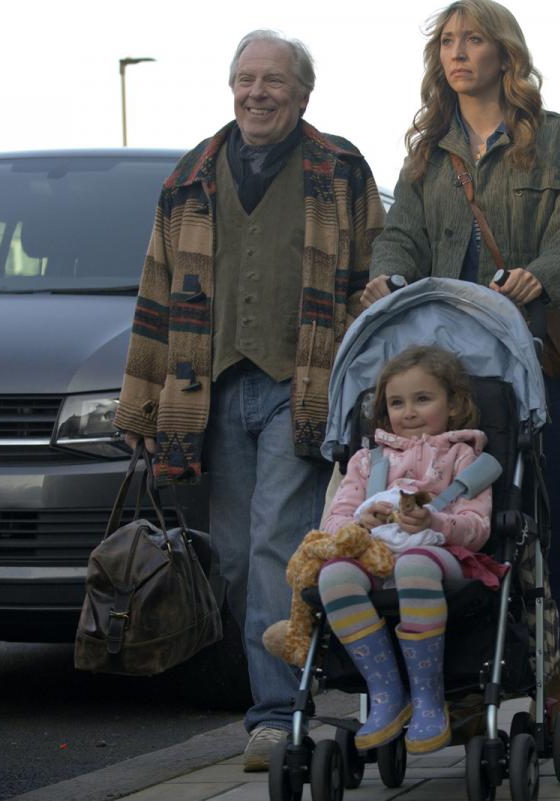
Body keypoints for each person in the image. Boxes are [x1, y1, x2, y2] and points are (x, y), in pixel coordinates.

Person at [113, 30, 386, 770]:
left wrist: (377, 386)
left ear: (303, 94)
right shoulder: (191, 177)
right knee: (237, 558)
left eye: (273, 80)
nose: (256, 92)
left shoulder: (340, 169)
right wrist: (141, 408)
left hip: (302, 388)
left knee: (273, 548)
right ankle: (321, 667)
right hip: (210, 392)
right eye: (245, 79)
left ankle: (275, 715)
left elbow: (376, 277)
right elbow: (156, 295)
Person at [360, 0, 560, 720]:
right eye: (448, 42)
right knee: (466, 515)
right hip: (456, 372)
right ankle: (470, 679)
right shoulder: (428, 153)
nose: (458, 52)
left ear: (505, 55)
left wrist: (540, 273)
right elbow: (401, 235)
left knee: (553, 520)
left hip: (539, 354)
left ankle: (547, 674)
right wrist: (385, 275)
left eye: (473, 40)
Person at [316, 345, 495, 754]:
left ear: (453, 406)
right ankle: (387, 694)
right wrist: (363, 520)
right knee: (334, 574)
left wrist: (435, 521)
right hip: (376, 557)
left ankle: (428, 697)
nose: (409, 412)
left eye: (423, 399)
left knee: (415, 563)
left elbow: (477, 527)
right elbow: (333, 522)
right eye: (397, 402)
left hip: (438, 559)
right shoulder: (367, 461)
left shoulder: (465, 457)